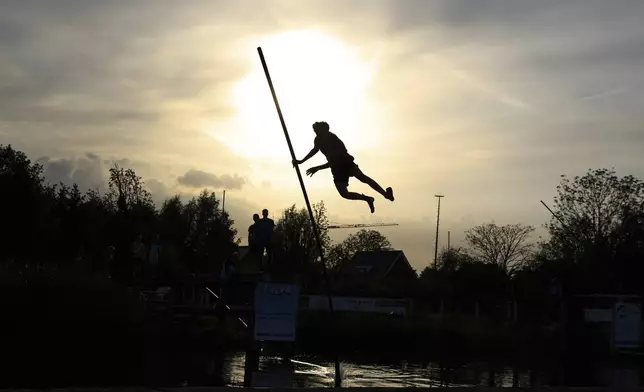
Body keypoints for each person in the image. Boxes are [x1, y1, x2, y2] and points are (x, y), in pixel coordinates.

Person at [293, 121, 394, 213]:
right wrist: (302, 161)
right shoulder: (318, 139)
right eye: (315, 131)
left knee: (363, 178)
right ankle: (367, 199)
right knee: (344, 194)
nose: (316, 133)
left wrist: (317, 168)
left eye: (317, 131)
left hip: (345, 164)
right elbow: (315, 150)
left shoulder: (334, 140)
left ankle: (385, 194)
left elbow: (334, 161)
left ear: (325, 130)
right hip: (336, 169)